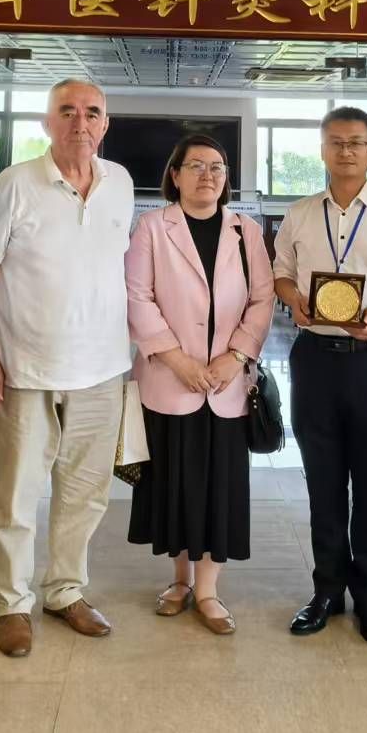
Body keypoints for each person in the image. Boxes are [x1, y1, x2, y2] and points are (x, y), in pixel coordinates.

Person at [0, 79, 135, 658]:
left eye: (92, 112)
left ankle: (65, 591)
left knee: (86, 494)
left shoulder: (120, 183)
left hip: (102, 369)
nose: (79, 123)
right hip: (27, 368)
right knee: (18, 496)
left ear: (105, 124)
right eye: (67, 111)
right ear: (47, 122)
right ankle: (11, 604)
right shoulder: (15, 183)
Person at [272, 106, 367, 645]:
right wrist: (294, 300)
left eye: (356, 142)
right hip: (315, 359)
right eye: (336, 142)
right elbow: (281, 273)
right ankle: (325, 591)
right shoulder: (299, 213)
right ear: (322, 150)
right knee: (322, 481)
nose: (346, 151)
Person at [124, 134, 275, 634]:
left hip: (227, 383)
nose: (207, 175)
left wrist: (237, 356)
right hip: (170, 379)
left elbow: (262, 299)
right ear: (175, 174)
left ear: (226, 177)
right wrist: (176, 359)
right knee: (175, 482)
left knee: (219, 485)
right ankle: (179, 581)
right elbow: (137, 295)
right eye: (196, 166)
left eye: (217, 167)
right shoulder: (152, 227)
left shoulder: (245, 231)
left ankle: (208, 590)